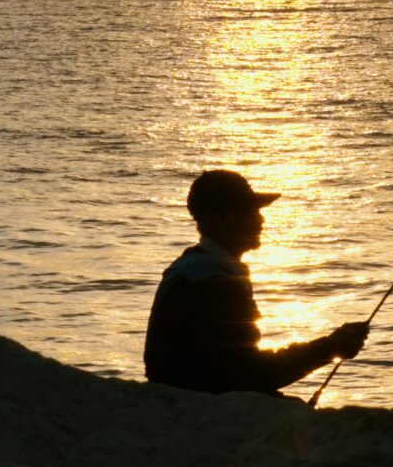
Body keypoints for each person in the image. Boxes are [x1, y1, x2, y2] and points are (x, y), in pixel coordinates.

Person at [143, 168, 371, 395]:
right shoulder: (213, 281)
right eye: (246, 212)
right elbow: (251, 373)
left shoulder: (194, 268)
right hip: (198, 406)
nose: (260, 219)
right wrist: (330, 347)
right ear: (216, 221)